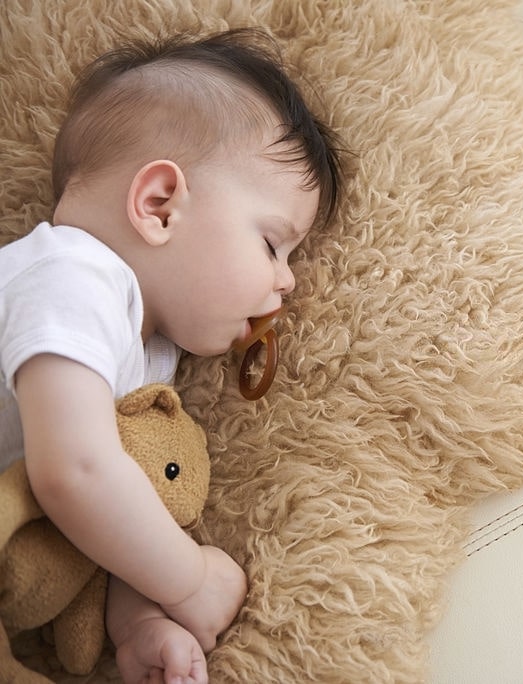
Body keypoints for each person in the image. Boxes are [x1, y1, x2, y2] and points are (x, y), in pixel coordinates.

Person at [0, 28, 346, 683]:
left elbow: (109, 519)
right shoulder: (70, 278)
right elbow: (74, 474)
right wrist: (186, 581)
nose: (287, 283)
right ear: (159, 206)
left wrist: (139, 624)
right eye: (273, 245)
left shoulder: (150, 362)